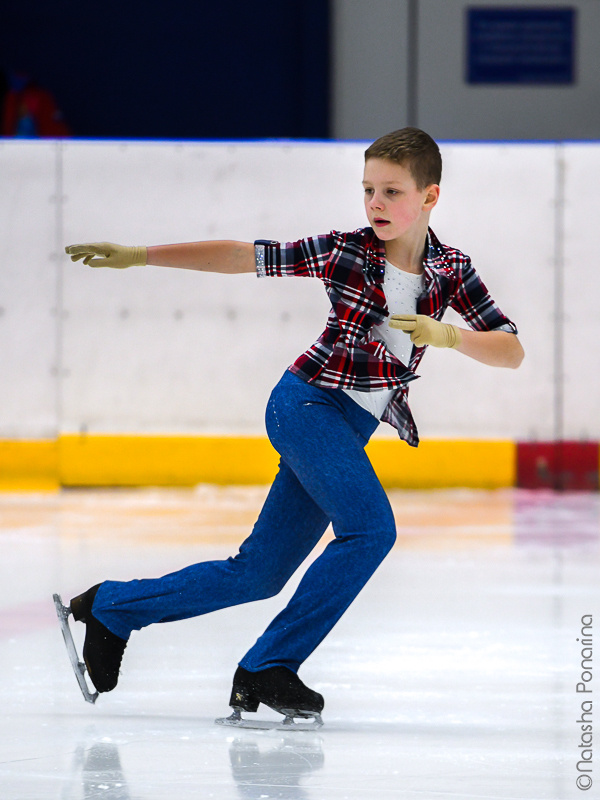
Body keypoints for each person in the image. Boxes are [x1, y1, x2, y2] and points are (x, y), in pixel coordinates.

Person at [63, 128, 524, 724]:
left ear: (431, 196)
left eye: (391, 191)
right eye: (367, 190)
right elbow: (241, 256)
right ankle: (268, 666)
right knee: (371, 531)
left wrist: (450, 335)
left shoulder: (451, 271)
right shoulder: (345, 251)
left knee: (258, 573)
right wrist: (143, 254)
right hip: (304, 405)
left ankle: (112, 608)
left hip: (347, 427)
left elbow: (510, 348)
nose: (375, 203)